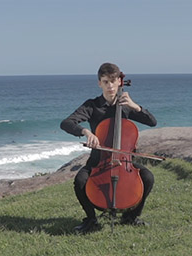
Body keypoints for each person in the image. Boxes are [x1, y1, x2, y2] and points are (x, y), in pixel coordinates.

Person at [60, 63, 157, 233]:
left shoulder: (126, 105)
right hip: (98, 161)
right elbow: (66, 123)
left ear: (120, 82)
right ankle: (91, 220)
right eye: (105, 82)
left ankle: (131, 217)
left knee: (147, 177)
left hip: (125, 162)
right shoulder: (92, 105)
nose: (110, 86)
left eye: (113, 81)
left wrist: (136, 107)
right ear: (100, 83)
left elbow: (152, 122)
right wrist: (86, 132)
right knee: (80, 181)